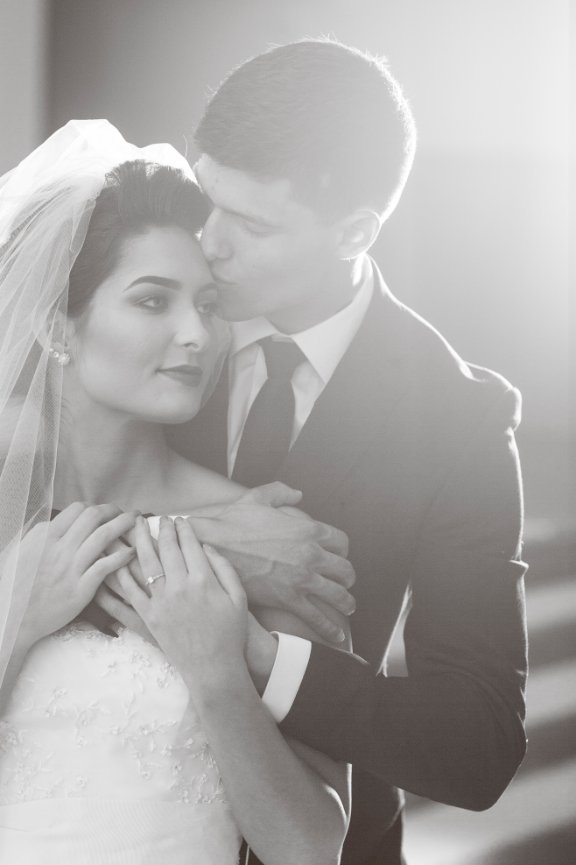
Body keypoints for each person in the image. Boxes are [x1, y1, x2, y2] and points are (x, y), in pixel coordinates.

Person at [162, 39, 529, 865]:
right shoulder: (139, 309)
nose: (208, 243)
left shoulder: (460, 418)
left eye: (252, 224)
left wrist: (264, 658)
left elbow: (478, 742)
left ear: (354, 231)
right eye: (205, 196)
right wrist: (208, 540)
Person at [0, 120, 352, 865]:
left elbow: (311, 848)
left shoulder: (264, 539)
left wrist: (216, 671)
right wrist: (13, 625)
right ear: (56, 325)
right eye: (154, 302)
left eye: (210, 304)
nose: (198, 334)